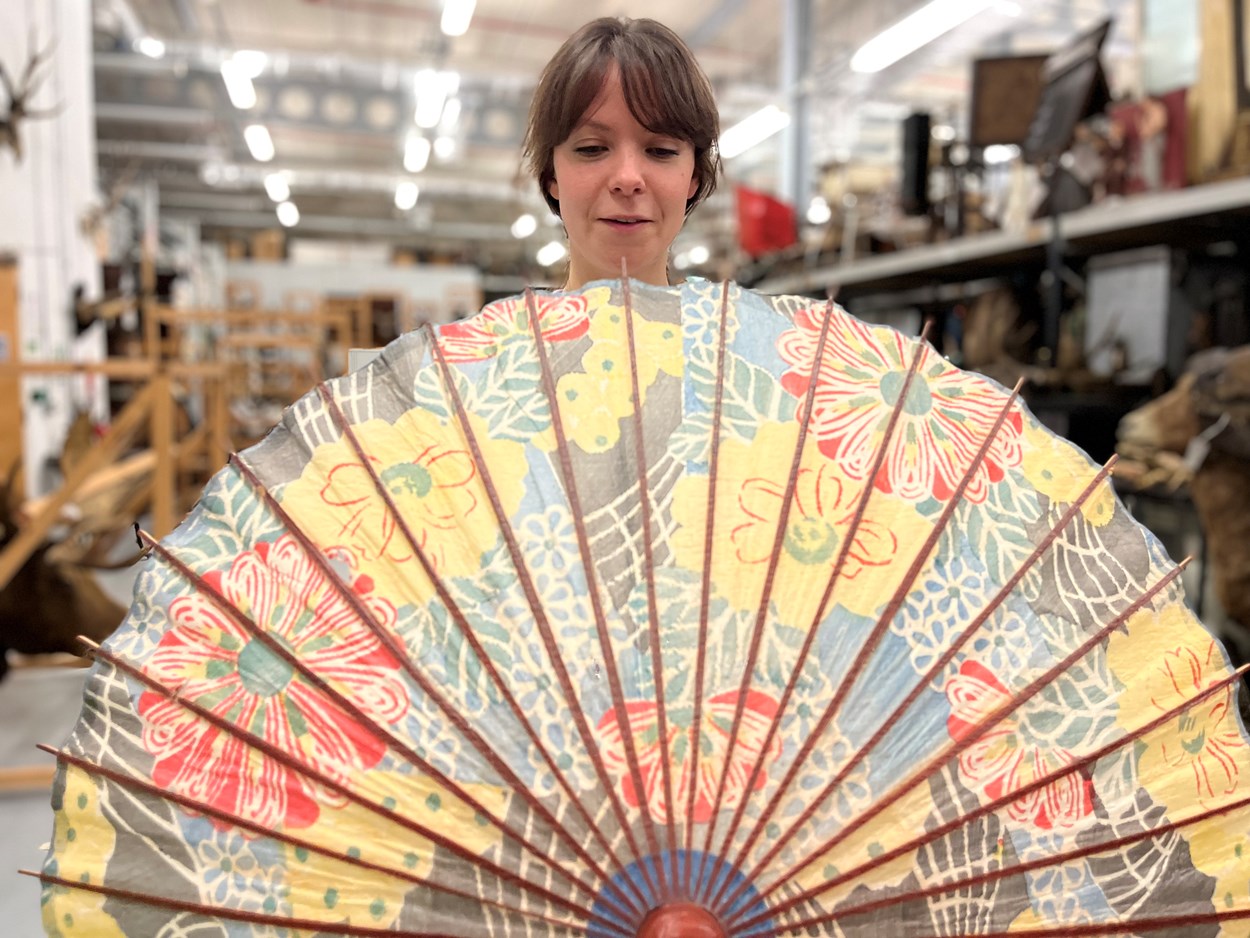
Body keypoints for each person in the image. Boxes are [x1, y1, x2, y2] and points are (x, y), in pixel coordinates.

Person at [522, 16, 721, 291]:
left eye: (660, 151)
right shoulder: (502, 335)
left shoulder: (751, 333)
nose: (627, 179)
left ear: (694, 178)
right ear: (550, 176)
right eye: (592, 148)